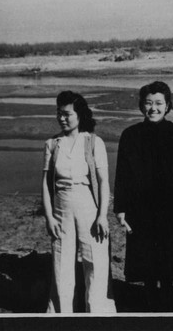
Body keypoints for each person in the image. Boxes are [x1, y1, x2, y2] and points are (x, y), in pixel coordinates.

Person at [113, 81, 173, 311]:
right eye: (148, 103)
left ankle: (168, 300)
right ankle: (151, 301)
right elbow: (122, 175)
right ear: (141, 105)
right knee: (147, 262)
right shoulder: (130, 136)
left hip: (172, 211)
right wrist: (120, 208)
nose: (153, 108)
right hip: (141, 211)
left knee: (170, 260)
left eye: (159, 103)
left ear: (168, 106)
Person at [42, 91, 116, 313]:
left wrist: (102, 215)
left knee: (95, 264)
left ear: (80, 115)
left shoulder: (94, 142)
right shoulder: (52, 144)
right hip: (61, 210)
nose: (62, 118)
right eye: (59, 114)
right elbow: (46, 184)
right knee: (61, 266)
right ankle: (61, 316)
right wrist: (49, 217)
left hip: (89, 210)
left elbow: (103, 183)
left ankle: (98, 314)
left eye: (67, 114)